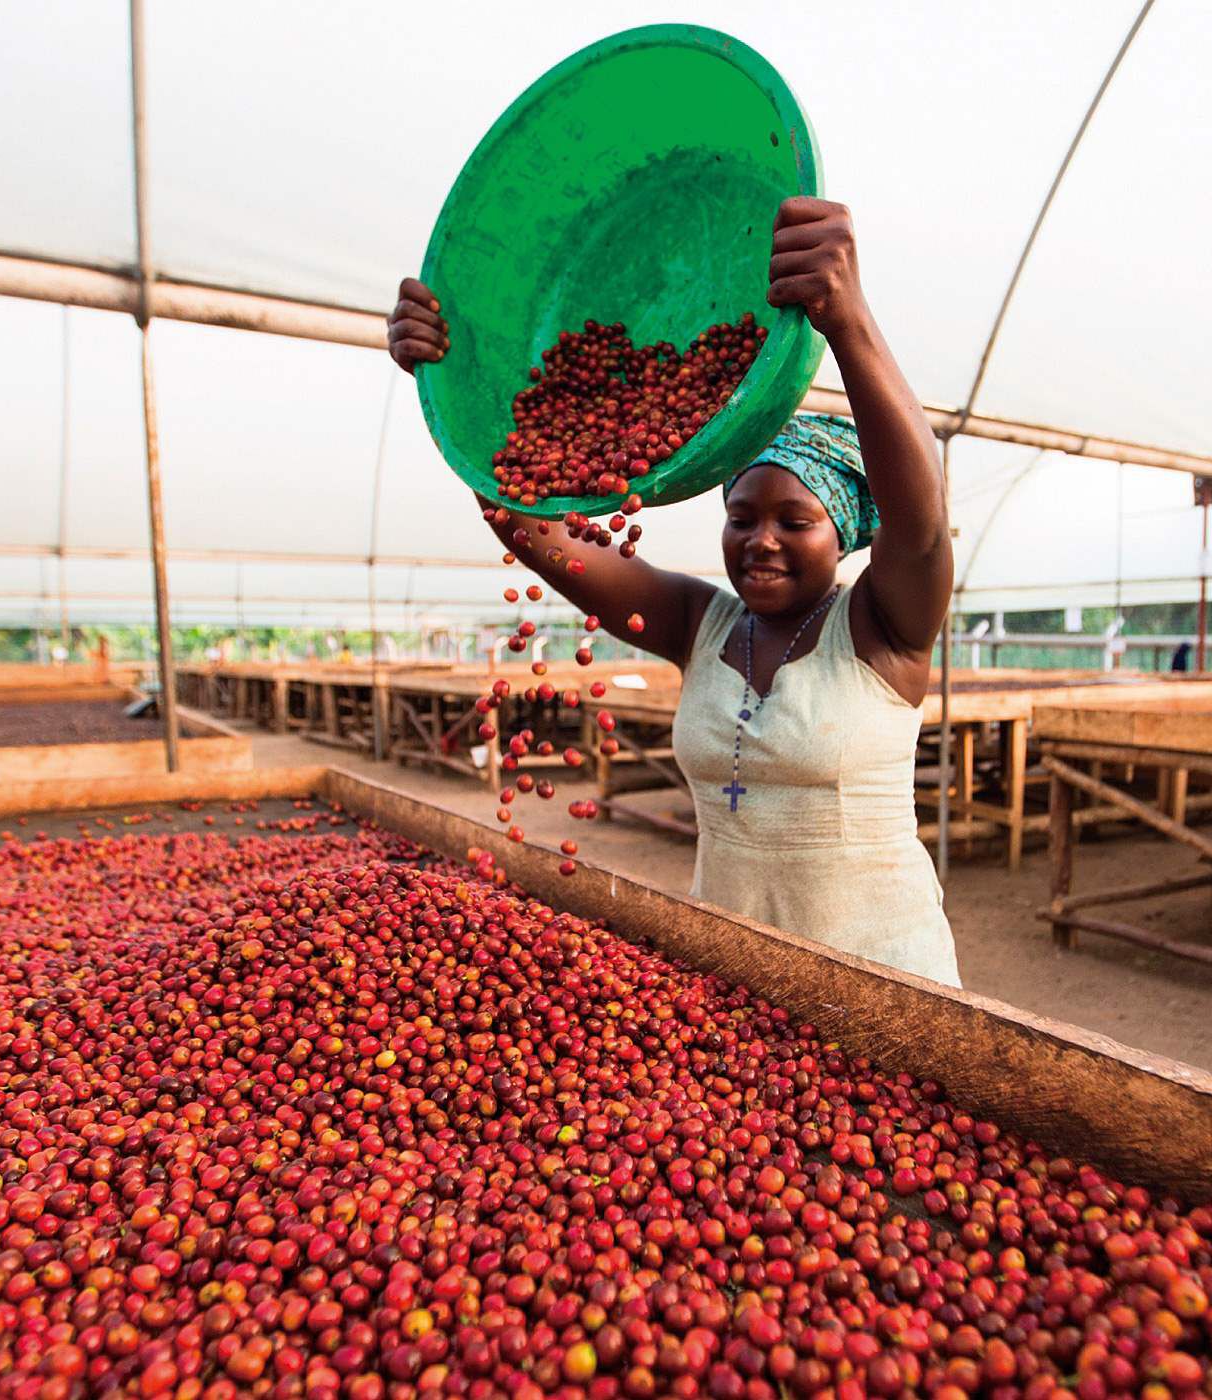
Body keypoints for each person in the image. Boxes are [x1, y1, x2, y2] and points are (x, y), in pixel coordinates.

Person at [389, 197, 960, 987]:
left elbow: (923, 528)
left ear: (843, 536)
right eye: (740, 517)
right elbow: (529, 523)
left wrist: (848, 322)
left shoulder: (881, 628)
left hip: (890, 988)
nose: (760, 540)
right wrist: (457, 380)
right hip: (730, 979)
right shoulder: (698, 622)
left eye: (795, 521)